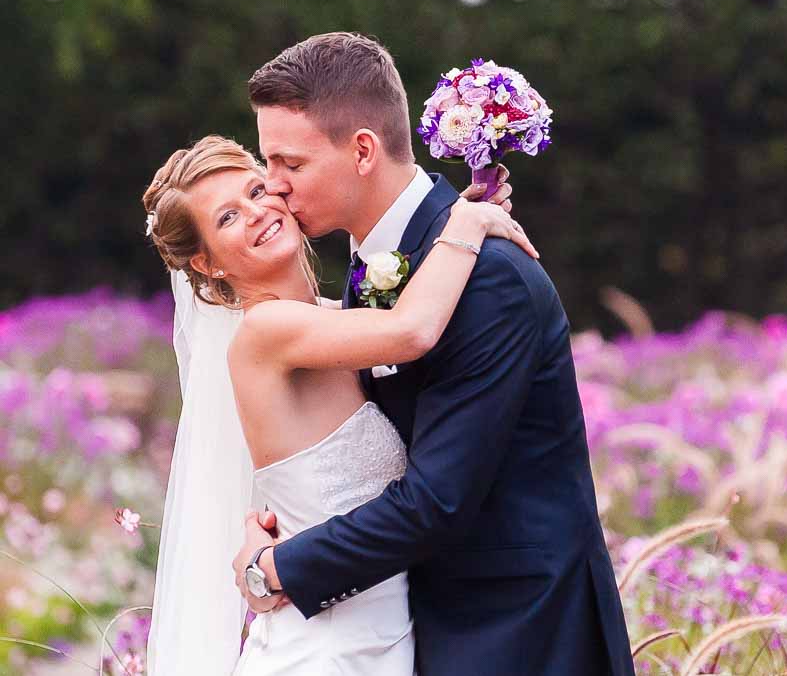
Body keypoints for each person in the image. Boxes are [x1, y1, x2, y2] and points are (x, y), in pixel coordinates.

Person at [143, 133, 530, 673]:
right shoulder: (265, 332)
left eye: (257, 191)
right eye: (227, 218)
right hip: (323, 650)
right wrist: (466, 225)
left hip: (384, 638)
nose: (256, 213)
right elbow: (414, 329)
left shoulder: (337, 316)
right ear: (207, 265)